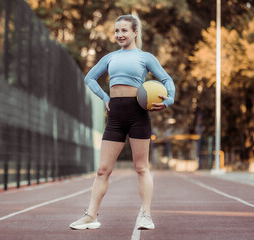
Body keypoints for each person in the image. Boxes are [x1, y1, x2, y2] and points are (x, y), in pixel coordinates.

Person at [69, 14, 175, 230]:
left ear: (135, 32)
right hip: (115, 115)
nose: (119, 34)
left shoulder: (145, 58)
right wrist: (105, 97)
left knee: (141, 168)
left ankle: (146, 215)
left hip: (138, 114)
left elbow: (166, 80)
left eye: (124, 30)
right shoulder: (110, 58)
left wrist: (169, 100)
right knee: (102, 170)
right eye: (116, 31)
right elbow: (89, 78)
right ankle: (91, 216)